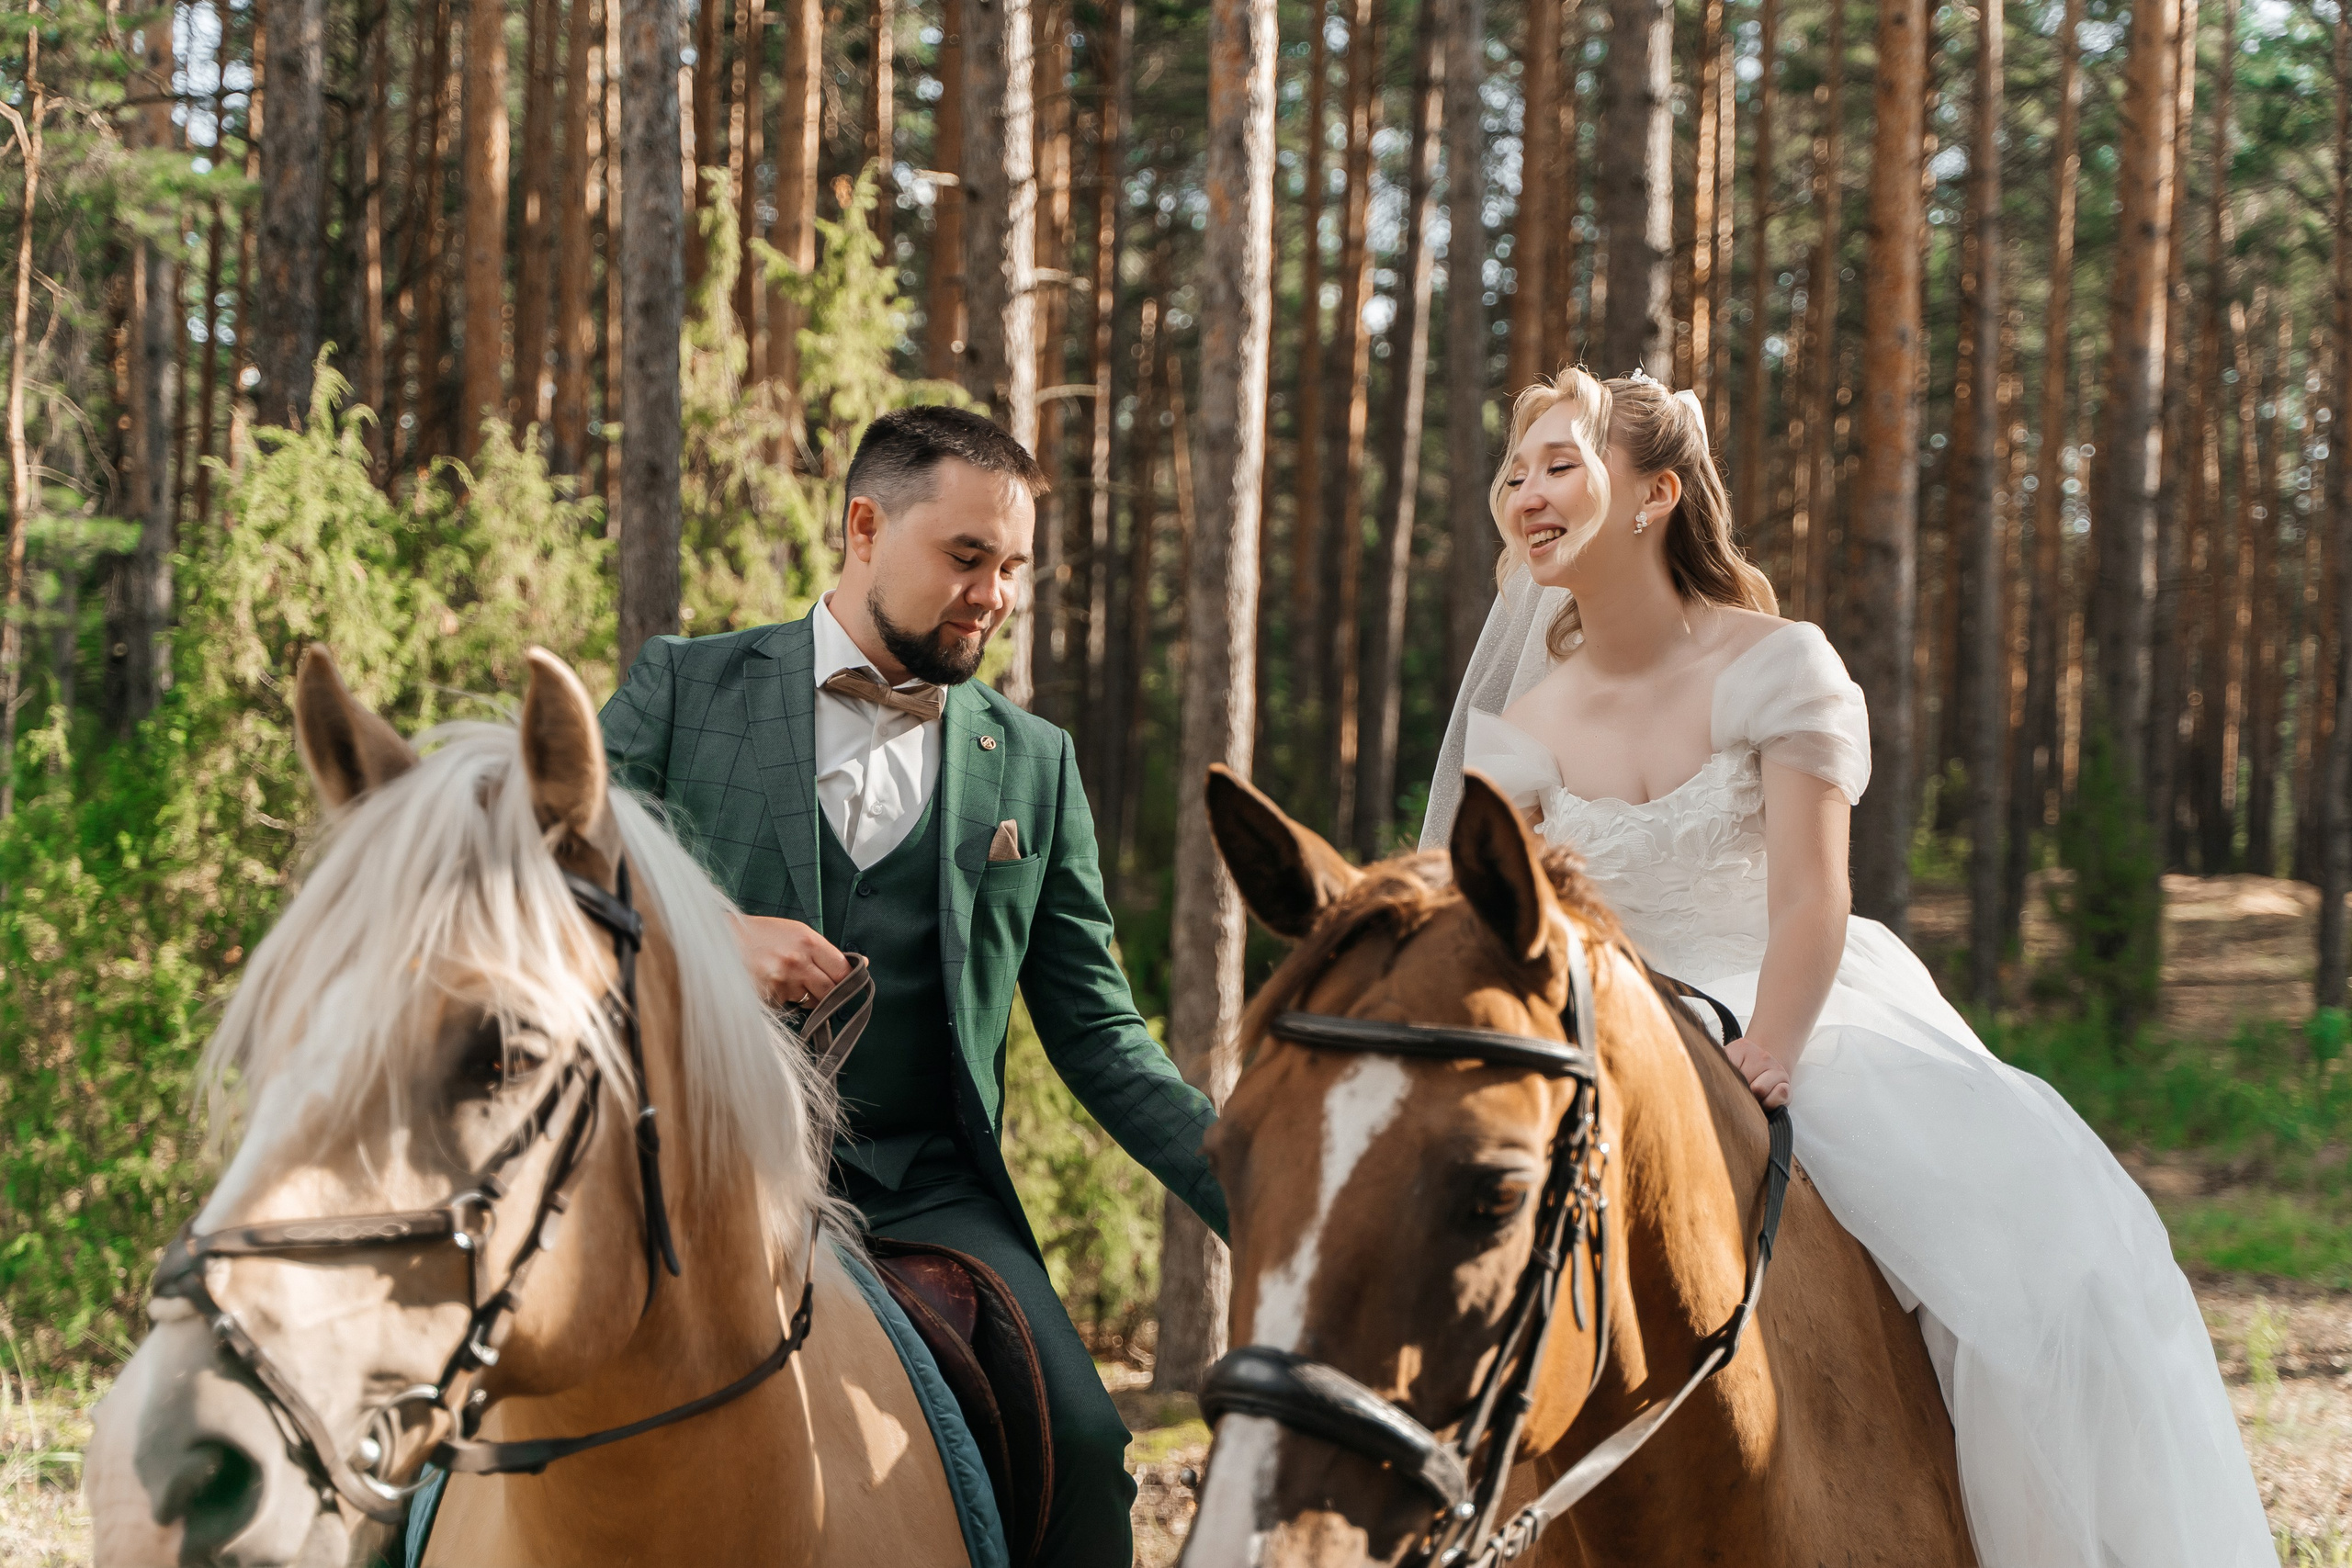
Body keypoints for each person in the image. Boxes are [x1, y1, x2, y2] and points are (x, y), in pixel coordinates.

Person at [1422, 367, 2272, 1567]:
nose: (1528, 492)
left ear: (1656, 495)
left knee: (2051, 1264)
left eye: (1562, 464)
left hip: (1794, 1003)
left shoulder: (1780, 664)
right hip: (1604, 1036)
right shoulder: (1522, 729)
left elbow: (1812, 895)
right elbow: (1495, 933)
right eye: (1516, 472)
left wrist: (1765, 1052)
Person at [601, 403, 1226, 1568]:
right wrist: (705, 942)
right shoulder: (684, 689)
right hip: (689, 1160)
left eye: (1014, 567)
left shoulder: (1034, 764)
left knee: (1090, 1451)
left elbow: (1098, 1032)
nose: (994, 594)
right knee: (462, 1423)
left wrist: (1255, 1186)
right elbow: (542, 887)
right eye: (967, 556)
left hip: (927, 1188)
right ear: (862, 527)